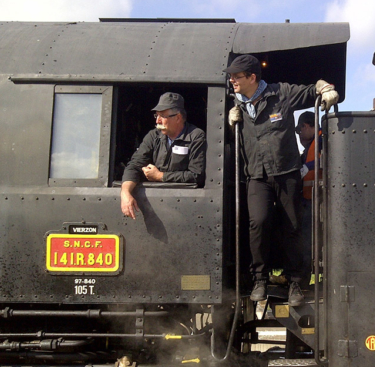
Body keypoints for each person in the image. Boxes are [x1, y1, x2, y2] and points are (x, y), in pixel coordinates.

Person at [225, 54, 338, 307]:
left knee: (293, 226)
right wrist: (229, 122)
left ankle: (296, 281)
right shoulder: (236, 103)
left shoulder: (282, 93)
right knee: (258, 222)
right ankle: (260, 279)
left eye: (237, 76)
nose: (232, 80)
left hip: (287, 174)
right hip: (257, 175)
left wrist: (325, 88)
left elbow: (312, 90)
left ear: (252, 78)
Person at [120, 92, 207, 219]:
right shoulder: (153, 135)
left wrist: (160, 176)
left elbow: (196, 175)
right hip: (155, 205)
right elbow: (134, 165)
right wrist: (125, 192)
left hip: (183, 205)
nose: (157, 120)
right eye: (156, 115)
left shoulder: (196, 136)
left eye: (162, 116)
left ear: (177, 118)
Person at [296, 111, 321, 286]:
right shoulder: (311, 144)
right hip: (309, 200)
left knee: (307, 241)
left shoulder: (323, 139)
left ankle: (303, 278)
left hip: (318, 201)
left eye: (300, 130)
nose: (299, 134)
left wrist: (307, 166)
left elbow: (328, 159)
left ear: (306, 125)